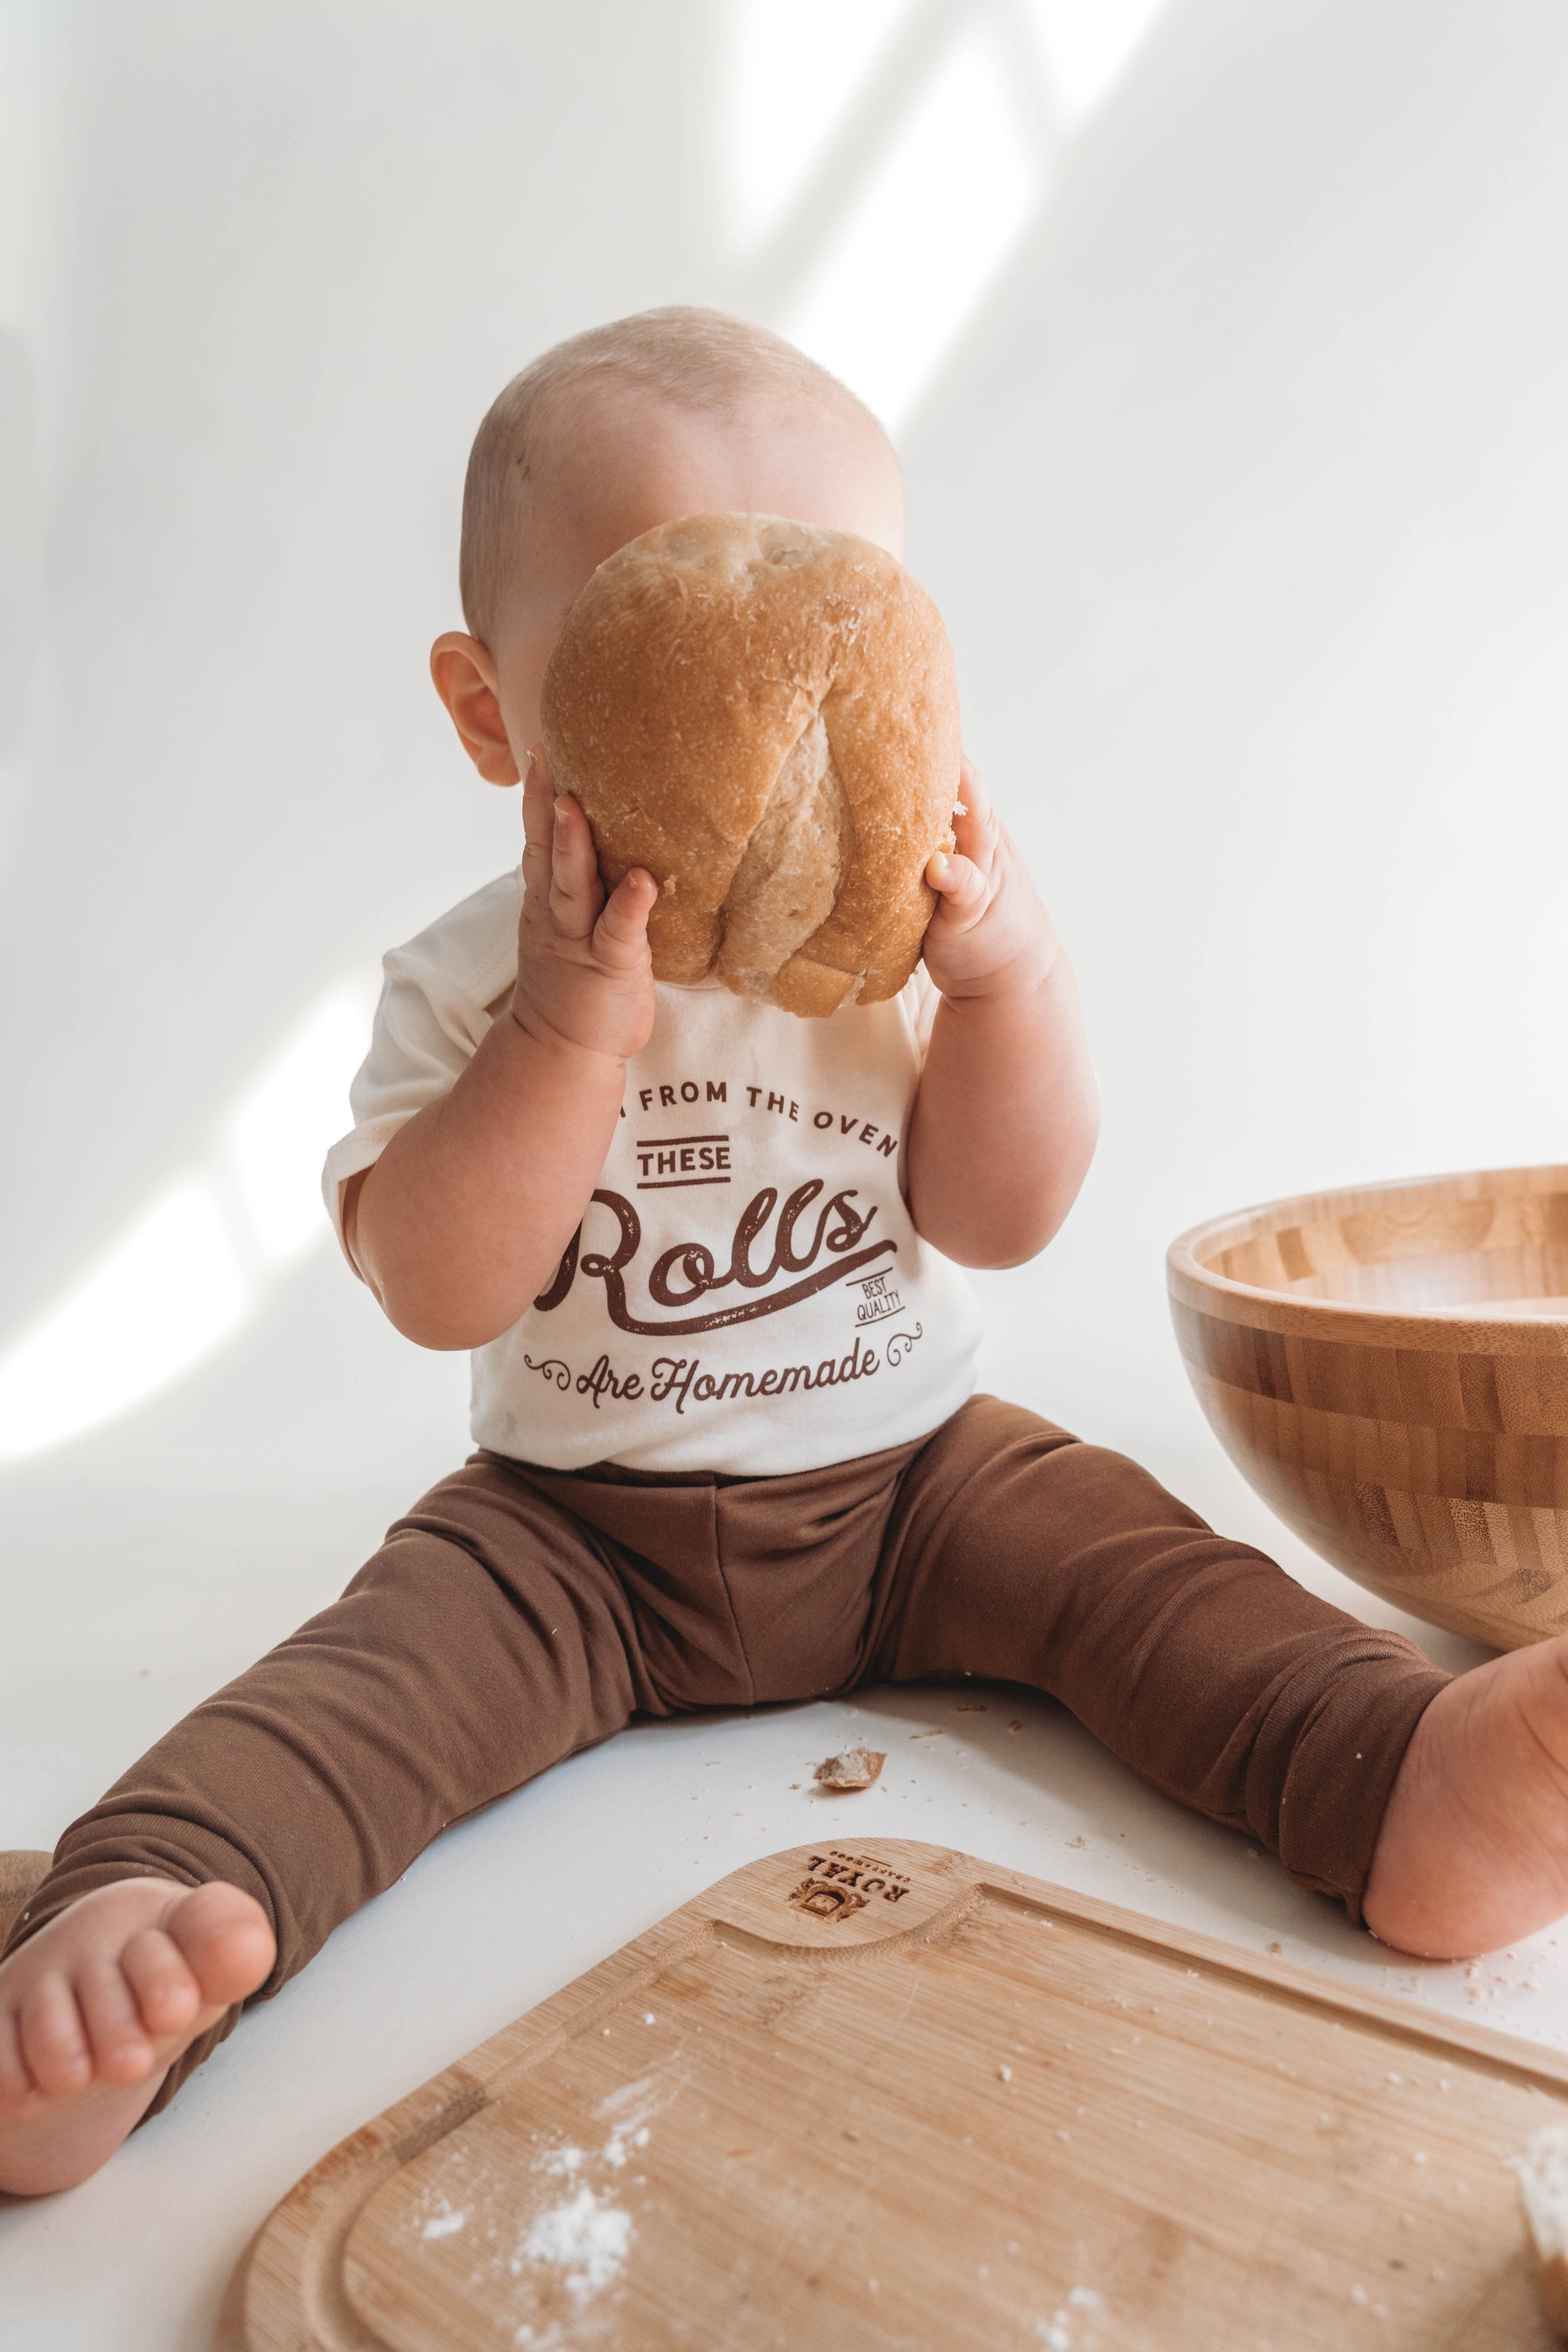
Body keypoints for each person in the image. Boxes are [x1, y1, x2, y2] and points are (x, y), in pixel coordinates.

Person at [4, 308, 1566, 2201]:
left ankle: (1403, 1781)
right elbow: (441, 1285)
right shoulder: (467, 978)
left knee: (1142, 1577)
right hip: (568, 1534)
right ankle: (127, 1942)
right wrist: (569, 1028)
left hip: (914, 1483)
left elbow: (1000, 1216)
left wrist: (1009, 986)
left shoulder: (908, 946)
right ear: (498, 709)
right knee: (353, 1700)